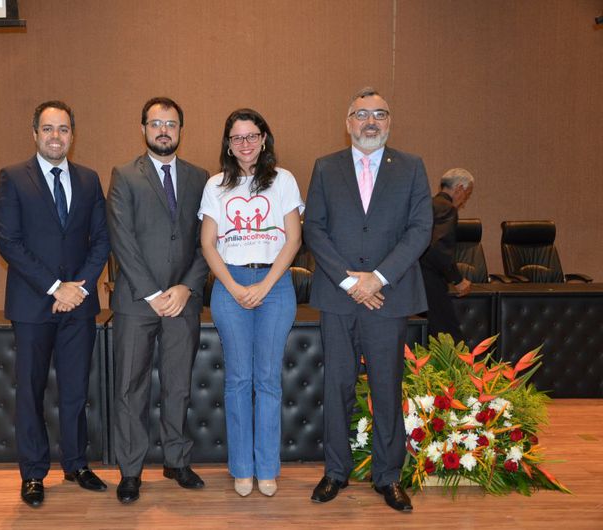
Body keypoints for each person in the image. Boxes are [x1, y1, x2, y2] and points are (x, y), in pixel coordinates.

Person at [303, 87, 432, 512]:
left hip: (388, 298)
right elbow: (314, 229)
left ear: (390, 121)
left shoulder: (411, 167)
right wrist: (349, 282)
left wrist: (377, 278)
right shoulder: (326, 167)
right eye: (362, 114)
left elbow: (420, 229)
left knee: (386, 388)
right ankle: (335, 472)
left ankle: (388, 476)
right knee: (337, 386)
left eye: (379, 114)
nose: (370, 122)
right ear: (348, 122)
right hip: (339, 298)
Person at [0, 100, 110, 507]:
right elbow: (9, 242)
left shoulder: (89, 180)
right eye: (48, 129)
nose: (55, 136)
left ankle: (76, 464)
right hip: (32, 305)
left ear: (72, 135)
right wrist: (56, 287)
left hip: (79, 305)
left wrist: (78, 289)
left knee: (76, 390)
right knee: (31, 391)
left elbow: (102, 240)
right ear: (35, 134)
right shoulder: (12, 178)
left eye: (63, 129)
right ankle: (33, 473)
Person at [107, 97, 209, 504]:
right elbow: (122, 238)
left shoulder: (201, 178)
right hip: (137, 301)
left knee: (178, 384)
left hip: (183, 301)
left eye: (171, 124)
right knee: (130, 388)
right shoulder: (124, 175)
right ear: (143, 129)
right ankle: (131, 471)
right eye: (155, 123)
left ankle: (176, 460)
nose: (163, 130)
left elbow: (208, 241)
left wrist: (186, 287)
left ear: (181, 129)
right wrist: (152, 293)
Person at [199, 109, 303, 497]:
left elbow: (293, 239)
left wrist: (265, 284)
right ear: (228, 144)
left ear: (263, 139)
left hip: (275, 285)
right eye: (237, 137)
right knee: (239, 380)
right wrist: (231, 285)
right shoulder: (216, 185)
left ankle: (267, 468)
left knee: (268, 380)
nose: (245, 143)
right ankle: (242, 467)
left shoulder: (283, 180)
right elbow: (208, 243)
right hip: (230, 285)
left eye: (252, 136)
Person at [420, 168, 475, 341]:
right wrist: (457, 280)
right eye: (467, 194)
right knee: (448, 338)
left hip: (413, 280)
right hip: (430, 280)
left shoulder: (426, 205)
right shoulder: (447, 208)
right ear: (459, 188)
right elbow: (439, 249)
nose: (464, 201)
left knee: (425, 335)